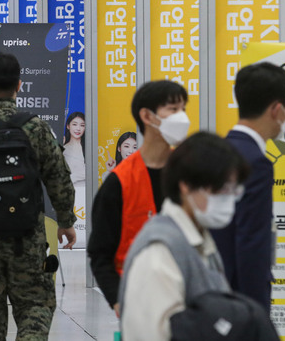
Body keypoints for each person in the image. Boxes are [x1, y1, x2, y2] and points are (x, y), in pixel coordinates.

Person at [0, 51, 76, 340]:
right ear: (19, 85)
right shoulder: (36, 128)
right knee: (35, 307)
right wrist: (66, 220)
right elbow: (58, 177)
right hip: (28, 240)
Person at [119, 132, 251, 339]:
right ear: (186, 186)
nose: (228, 199)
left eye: (233, 190)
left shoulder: (199, 239)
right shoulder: (159, 254)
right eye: (221, 189)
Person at [88, 80, 189, 314]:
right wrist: (116, 299)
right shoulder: (119, 182)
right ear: (147, 115)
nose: (182, 118)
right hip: (138, 299)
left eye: (183, 109)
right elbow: (100, 251)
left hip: (188, 296)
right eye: (173, 110)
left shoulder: (188, 172)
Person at [210, 62, 285, 311]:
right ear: (276, 109)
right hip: (240, 300)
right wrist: (257, 316)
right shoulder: (256, 163)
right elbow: (252, 246)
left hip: (214, 291)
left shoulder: (219, 150)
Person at [63, 112, 86, 186]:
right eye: (74, 124)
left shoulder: (88, 148)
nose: (78, 129)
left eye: (82, 125)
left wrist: (73, 177)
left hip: (86, 191)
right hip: (68, 191)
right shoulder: (63, 148)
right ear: (68, 126)